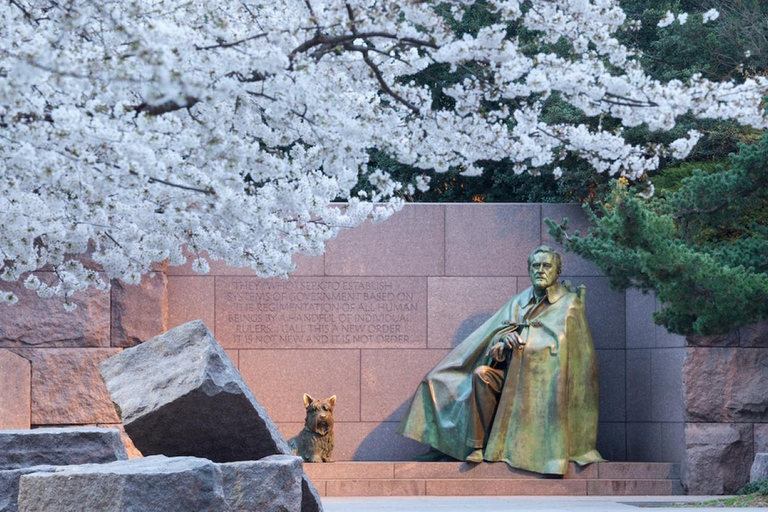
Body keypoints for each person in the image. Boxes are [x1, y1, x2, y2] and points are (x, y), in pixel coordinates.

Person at [397, 246, 604, 475]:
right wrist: (502, 341)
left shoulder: (569, 304)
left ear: (557, 271)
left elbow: (571, 354)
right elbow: (495, 334)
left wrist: (526, 344)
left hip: (540, 385)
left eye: (546, 266)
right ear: (529, 270)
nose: (540, 271)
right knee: (453, 378)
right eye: (536, 266)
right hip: (507, 376)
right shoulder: (518, 301)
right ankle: (471, 445)